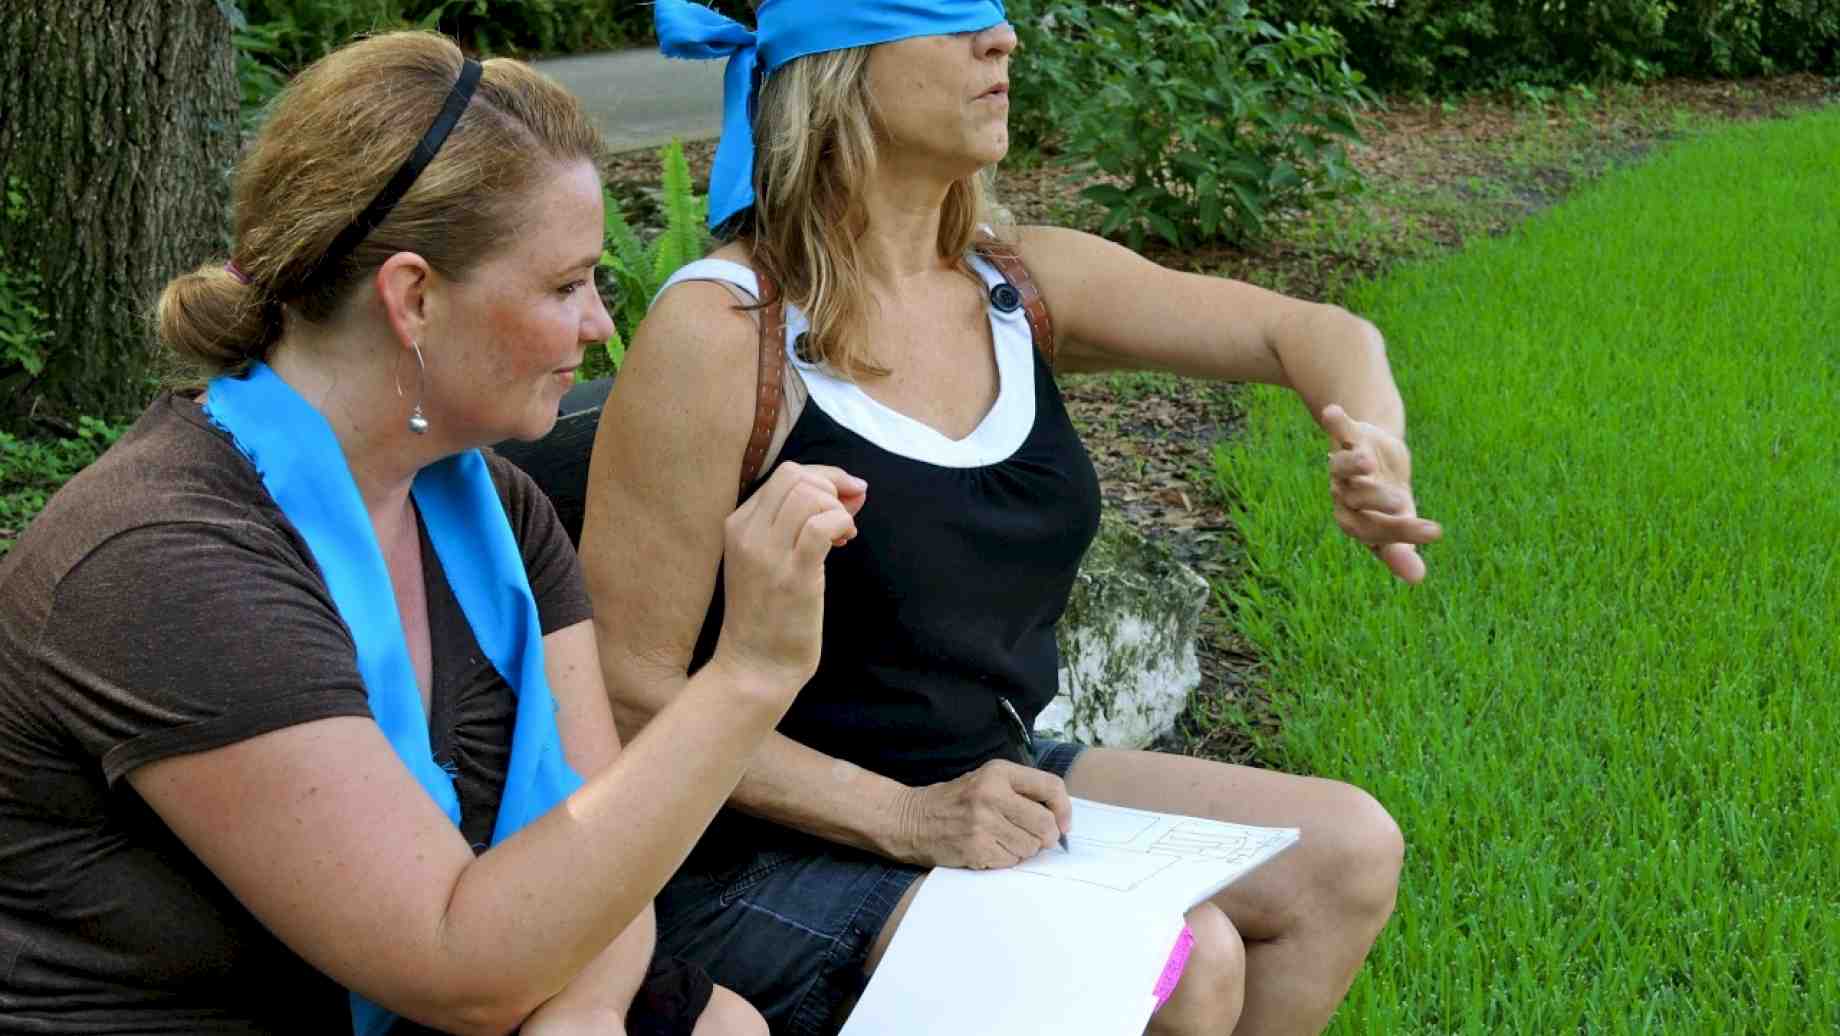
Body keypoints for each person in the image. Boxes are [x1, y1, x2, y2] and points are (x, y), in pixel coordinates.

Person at [581, 2, 1445, 1034]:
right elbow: (625, 692)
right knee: (1183, 958)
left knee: (1344, 850)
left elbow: (1307, 331)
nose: (1002, 41)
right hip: (750, 848)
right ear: (835, 64)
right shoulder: (725, 331)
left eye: (993, 16)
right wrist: (903, 817)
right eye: (949, 19)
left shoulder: (1014, 282)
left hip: (988, 782)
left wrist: (1371, 440)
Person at [0, 31, 859, 1036]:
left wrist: (580, 1018)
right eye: (564, 284)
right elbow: (459, 965)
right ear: (413, 297)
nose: (598, 326)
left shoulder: (495, 508)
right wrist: (748, 674)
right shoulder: (164, 563)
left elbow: (599, 854)